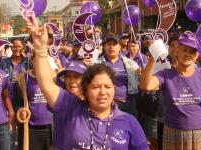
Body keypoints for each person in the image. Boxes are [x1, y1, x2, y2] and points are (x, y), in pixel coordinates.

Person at [25, 15, 149, 149]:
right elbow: (47, 85)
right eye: (96, 87)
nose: (103, 92)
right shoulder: (70, 107)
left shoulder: (129, 122)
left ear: (114, 88)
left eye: (107, 86)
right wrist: (40, 47)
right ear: (86, 89)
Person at [140, 31, 201, 150]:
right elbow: (146, 85)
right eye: (184, 50)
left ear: (197, 56)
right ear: (177, 52)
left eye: (192, 51)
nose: (187, 54)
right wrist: (152, 59)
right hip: (173, 132)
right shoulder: (165, 74)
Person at [96, 34, 140, 118]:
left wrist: (141, 74)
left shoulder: (131, 64)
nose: (111, 47)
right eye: (109, 44)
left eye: (114, 44)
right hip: (106, 105)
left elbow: (140, 81)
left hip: (129, 105)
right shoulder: (96, 64)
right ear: (104, 46)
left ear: (119, 47)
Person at [15, 55, 53, 150]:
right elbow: (16, 102)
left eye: (42, 60)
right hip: (30, 128)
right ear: (32, 60)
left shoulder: (53, 77)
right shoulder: (22, 79)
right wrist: (20, 110)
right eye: (37, 60)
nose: (40, 63)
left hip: (50, 128)